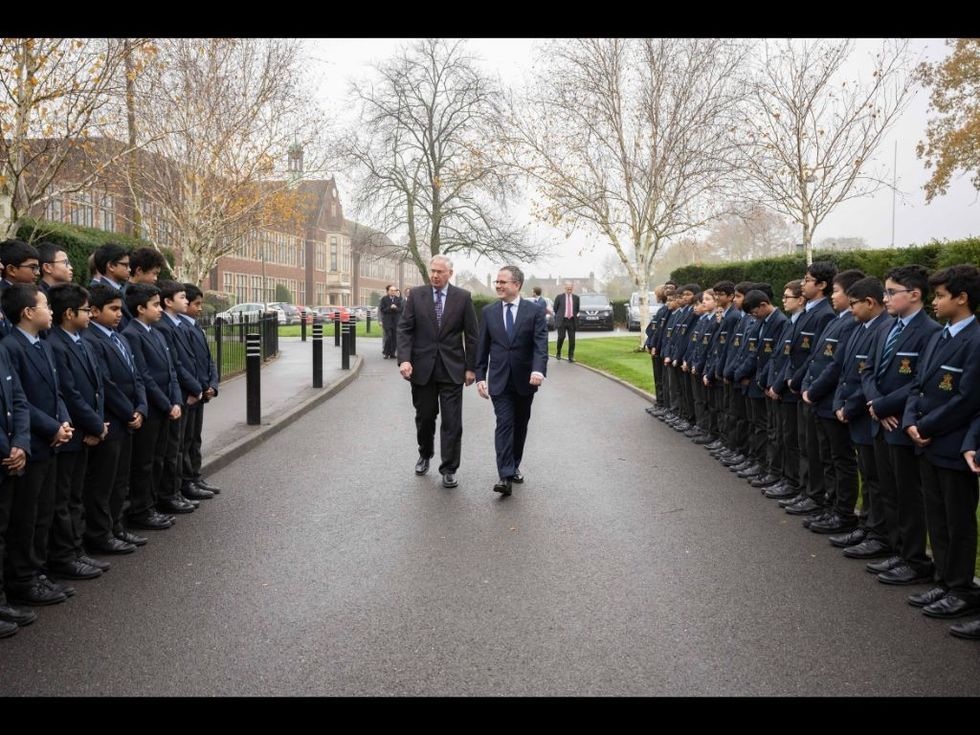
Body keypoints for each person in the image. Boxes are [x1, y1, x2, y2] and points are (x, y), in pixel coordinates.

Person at [902, 264, 980, 622]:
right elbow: (918, 384)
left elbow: (967, 399)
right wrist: (911, 421)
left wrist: (926, 425)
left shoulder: (975, 340)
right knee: (937, 515)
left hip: (951, 443)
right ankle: (945, 580)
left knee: (957, 520)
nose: (935, 302)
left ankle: (961, 588)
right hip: (927, 441)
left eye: (941, 295)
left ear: (962, 298)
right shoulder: (940, 336)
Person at [1, 283, 73, 606]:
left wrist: (64, 422)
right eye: (45, 305)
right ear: (29, 312)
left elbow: (56, 392)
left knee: (44, 512)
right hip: (33, 442)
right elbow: (21, 401)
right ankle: (22, 578)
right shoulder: (10, 347)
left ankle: (38, 571)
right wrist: (51, 427)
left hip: (52, 441)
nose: (51, 310)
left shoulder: (43, 344)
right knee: (26, 517)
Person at [396, 255, 478, 489]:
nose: (434, 275)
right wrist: (404, 359)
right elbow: (405, 329)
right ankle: (425, 453)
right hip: (422, 369)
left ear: (450, 273)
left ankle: (449, 468)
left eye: (440, 272)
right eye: (432, 271)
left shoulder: (463, 297)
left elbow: (472, 335)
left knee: (452, 422)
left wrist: (471, 367)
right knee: (425, 418)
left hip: (452, 369)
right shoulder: (416, 296)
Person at [475, 266, 548, 496]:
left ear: (517, 285)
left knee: (520, 425)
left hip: (526, 380)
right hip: (499, 380)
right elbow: (482, 347)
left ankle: (514, 464)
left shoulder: (534, 311)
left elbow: (540, 344)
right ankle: (505, 476)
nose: (498, 285)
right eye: (496, 282)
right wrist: (480, 376)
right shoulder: (489, 312)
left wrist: (538, 370)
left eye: (502, 282)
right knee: (504, 424)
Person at [553, 281, 579, 362]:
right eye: (568, 289)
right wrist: (560, 315)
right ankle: (558, 352)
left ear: (572, 288)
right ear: (565, 288)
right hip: (562, 321)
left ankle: (571, 356)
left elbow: (577, 309)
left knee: (572, 339)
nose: (569, 291)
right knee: (561, 337)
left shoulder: (576, 298)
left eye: (571, 289)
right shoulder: (559, 297)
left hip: (571, 321)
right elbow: (555, 308)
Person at [378, 284, 402, 360]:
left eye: (394, 290)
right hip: (387, 321)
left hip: (395, 321)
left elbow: (400, 310)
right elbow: (382, 310)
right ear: (388, 291)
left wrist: (395, 308)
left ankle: (392, 353)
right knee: (388, 337)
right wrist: (390, 307)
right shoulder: (384, 299)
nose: (393, 292)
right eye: (391, 290)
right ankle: (386, 353)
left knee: (394, 338)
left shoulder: (398, 299)